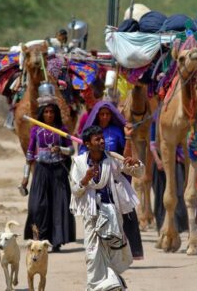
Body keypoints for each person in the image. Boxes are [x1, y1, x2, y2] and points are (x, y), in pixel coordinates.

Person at [70, 125, 144, 291]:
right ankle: (99, 287)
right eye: (97, 139)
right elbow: (75, 191)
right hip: (91, 215)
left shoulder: (113, 160)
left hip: (112, 214)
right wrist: (85, 179)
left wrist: (134, 163)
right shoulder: (79, 163)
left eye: (102, 138)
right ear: (88, 144)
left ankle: (111, 283)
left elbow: (136, 172)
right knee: (92, 253)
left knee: (113, 252)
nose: (102, 141)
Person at [79, 101, 144, 259]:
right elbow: (81, 156)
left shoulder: (116, 131)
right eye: (102, 114)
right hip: (96, 179)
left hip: (114, 178)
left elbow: (125, 157)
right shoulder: (89, 133)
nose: (105, 117)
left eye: (108, 114)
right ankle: (99, 253)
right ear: (96, 115)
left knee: (125, 214)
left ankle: (130, 252)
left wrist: (128, 136)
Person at [21, 102, 76, 252]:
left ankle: (56, 241)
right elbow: (30, 154)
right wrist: (25, 177)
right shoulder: (35, 130)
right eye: (46, 112)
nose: (49, 115)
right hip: (41, 171)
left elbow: (71, 150)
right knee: (37, 206)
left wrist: (61, 149)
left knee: (58, 205)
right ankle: (39, 238)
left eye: (52, 112)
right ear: (42, 114)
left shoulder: (62, 129)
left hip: (58, 172)